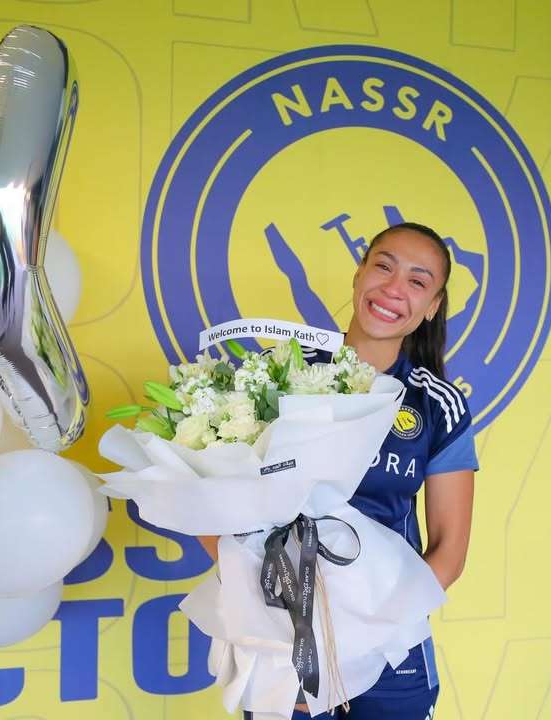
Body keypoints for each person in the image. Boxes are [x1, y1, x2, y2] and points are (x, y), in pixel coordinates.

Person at [204, 222, 478, 720]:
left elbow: (449, 553)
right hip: (284, 640)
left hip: (391, 648)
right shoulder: (275, 375)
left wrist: (371, 632)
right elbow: (207, 500)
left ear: (433, 305)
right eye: (383, 266)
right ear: (358, 274)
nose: (394, 288)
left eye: (417, 281)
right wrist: (267, 606)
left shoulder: (436, 404)